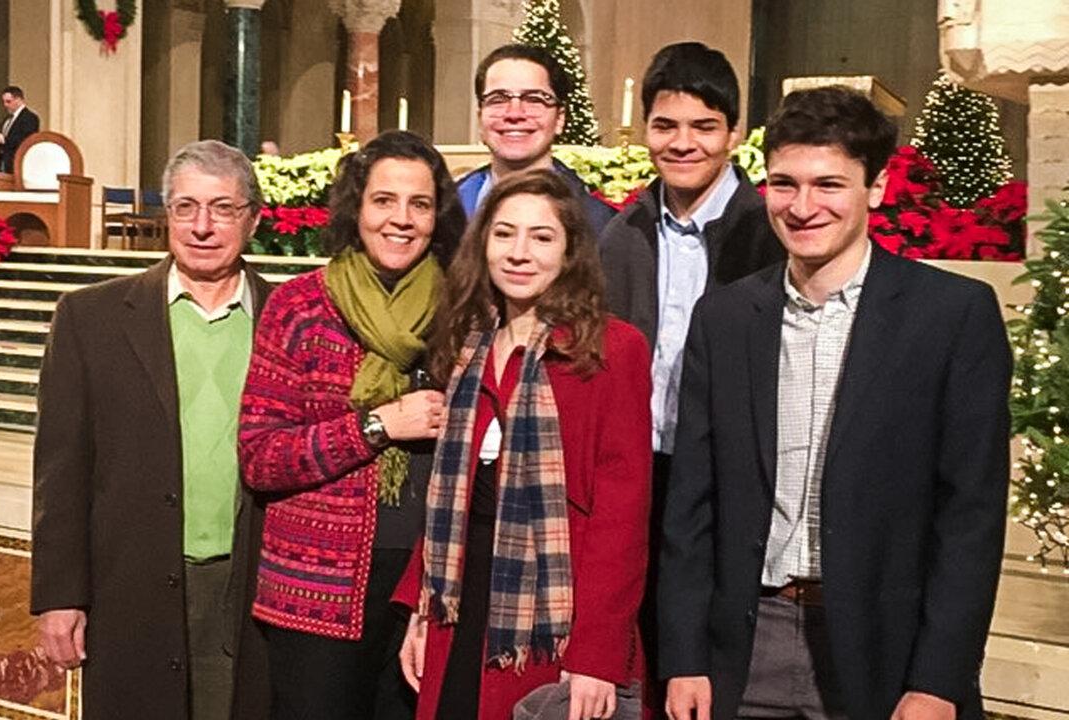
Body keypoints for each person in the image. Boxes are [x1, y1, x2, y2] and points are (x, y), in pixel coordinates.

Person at [658, 86, 1012, 720]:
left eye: (828, 185)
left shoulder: (952, 316)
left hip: (886, 652)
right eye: (784, 184)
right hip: (748, 643)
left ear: (874, 188)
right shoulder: (726, 318)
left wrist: (939, 680)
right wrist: (685, 656)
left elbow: (971, 519)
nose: (802, 206)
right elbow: (692, 503)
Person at [394, 169, 652, 720]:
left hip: (551, 617)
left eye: (541, 237)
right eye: (504, 233)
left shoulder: (612, 349)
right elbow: (448, 496)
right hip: (459, 605)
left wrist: (597, 657)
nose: (519, 252)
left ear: (569, 252)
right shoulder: (467, 344)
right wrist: (422, 609)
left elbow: (622, 519)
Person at [30, 140, 274, 720]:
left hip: (251, 588)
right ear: (168, 214)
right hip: (130, 583)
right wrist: (61, 597)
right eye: (186, 207)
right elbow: (61, 471)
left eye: (223, 208)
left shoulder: (287, 319)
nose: (203, 227)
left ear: (255, 218)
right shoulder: (91, 318)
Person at [238, 130, 466, 720]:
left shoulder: (461, 313)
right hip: (317, 591)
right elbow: (261, 457)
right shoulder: (299, 307)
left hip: (426, 589)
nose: (401, 219)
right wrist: (377, 425)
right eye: (384, 200)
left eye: (419, 204)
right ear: (356, 209)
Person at [597, 41, 783, 703]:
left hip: (734, 478)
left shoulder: (768, 234)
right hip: (644, 471)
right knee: (645, 657)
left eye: (704, 127)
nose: (682, 144)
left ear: (734, 132)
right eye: (665, 125)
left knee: (718, 665)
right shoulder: (621, 235)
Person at [458, 44, 616, 235]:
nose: (514, 114)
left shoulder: (601, 225)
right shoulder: (445, 211)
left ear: (559, 119)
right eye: (498, 99)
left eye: (534, 99)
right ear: (480, 118)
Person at [0, 85, 40, 173]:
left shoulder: (30, 118)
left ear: (19, 100)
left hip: (18, 164)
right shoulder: (7, 119)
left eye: (8, 101)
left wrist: (4, 140)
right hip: (3, 163)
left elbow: (26, 140)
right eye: (4, 102)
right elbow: (4, 136)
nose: (5, 105)